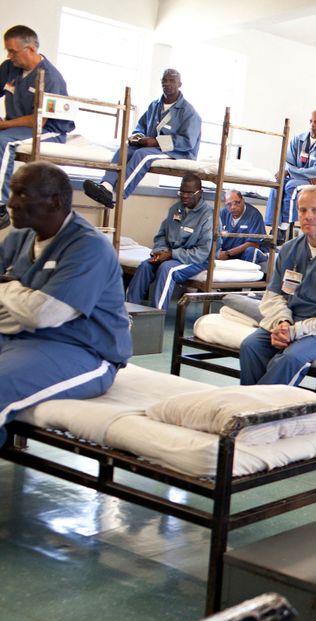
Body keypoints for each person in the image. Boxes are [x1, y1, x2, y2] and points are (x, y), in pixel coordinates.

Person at [0, 162, 131, 443]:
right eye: (12, 192)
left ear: (54, 202)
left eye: (22, 194)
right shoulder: (20, 237)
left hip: (83, 350)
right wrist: (18, 298)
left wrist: (6, 289)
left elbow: (43, 314)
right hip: (21, 338)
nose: (11, 203)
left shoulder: (89, 247)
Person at [240, 185, 316, 386]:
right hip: (292, 321)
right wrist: (282, 323)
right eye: (303, 210)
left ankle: (264, 412)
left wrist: (295, 332)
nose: (308, 216)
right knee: (251, 346)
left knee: (289, 358)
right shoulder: (290, 250)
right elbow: (273, 296)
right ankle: (251, 408)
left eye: (315, 210)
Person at [83, 69, 200, 207]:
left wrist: (155, 142)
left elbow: (187, 142)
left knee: (142, 154)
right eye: (164, 80)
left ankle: (116, 195)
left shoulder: (189, 112)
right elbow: (141, 126)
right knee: (126, 148)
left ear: (179, 84)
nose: (167, 84)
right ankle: (106, 187)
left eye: (171, 81)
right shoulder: (154, 105)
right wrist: (137, 137)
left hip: (178, 152)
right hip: (153, 147)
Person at [0, 25, 73, 230]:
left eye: (13, 51)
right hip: (16, 127)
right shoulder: (9, 68)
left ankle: (0, 206)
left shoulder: (50, 78)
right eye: (8, 51)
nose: (9, 55)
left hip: (48, 130)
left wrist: (4, 125)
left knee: (3, 142)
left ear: (31, 49)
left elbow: (39, 121)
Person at [124, 175, 212, 310]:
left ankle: (156, 316)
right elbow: (161, 236)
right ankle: (127, 312)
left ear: (200, 193)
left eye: (189, 193)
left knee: (167, 269)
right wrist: (161, 251)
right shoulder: (176, 209)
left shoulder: (208, 216)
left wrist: (171, 254)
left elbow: (202, 252)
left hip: (196, 260)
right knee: (145, 266)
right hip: (171, 255)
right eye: (182, 192)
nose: (184, 196)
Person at [264, 110, 316, 227]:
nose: (313, 124)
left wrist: (292, 172)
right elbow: (289, 162)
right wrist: (297, 173)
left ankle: (284, 227)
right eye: (311, 121)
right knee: (277, 183)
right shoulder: (297, 140)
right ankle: (273, 225)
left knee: (291, 186)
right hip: (307, 178)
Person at [217, 190, 268, 264]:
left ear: (243, 201)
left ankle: (249, 275)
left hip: (245, 253)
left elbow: (254, 244)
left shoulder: (254, 214)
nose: (233, 207)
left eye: (237, 203)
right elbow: (214, 237)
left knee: (251, 251)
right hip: (227, 252)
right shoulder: (223, 213)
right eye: (229, 204)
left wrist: (228, 253)